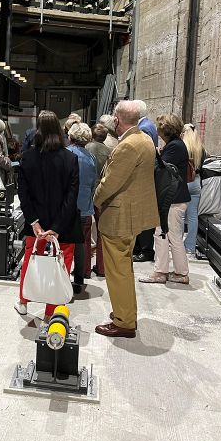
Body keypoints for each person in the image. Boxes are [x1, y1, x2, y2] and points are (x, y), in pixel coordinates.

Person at [94, 101, 159, 338]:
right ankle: (125, 312)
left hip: (120, 215)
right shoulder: (145, 140)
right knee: (124, 267)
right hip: (133, 213)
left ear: (118, 120)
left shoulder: (128, 146)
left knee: (118, 270)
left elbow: (110, 182)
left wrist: (96, 199)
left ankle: (124, 322)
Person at [15, 110, 81, 320]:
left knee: (30, 258)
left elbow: (23, 194)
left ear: (38, 131)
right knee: (61, 263)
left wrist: (34, 221)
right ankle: (50, 313)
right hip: (64, 224)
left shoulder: (27, 158)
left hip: (37, 222)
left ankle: (23, 302)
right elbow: (72, 196)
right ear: (60, 131)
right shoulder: (70, 158)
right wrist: (58, 227)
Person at [139, 113, 191, 285]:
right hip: (174, 199)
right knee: (167, 235)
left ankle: (167, 272)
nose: (157, 132)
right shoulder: (175, 145)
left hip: (172, 199)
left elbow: (163, 170)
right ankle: (173, 272)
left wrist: (155, 155)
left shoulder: (175, 146)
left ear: (166, 130)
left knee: (166, 235)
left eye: (159, 128)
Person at [67, 122, 96, 292]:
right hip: (85, 206)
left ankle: (62, 279)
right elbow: (93, 183)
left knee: (64, 245)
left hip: (68, 207)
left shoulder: (67, 154)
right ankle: (79, 280)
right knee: (81, 244)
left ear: (71, 136)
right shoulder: (91, 157)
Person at [133, 99, 158, 263]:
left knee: (142, 217)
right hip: (147, 176)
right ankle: (143, 248)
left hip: (143, 178)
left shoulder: (143, 129)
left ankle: (146, 250)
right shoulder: (149, 125)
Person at [86, 123, 111, 277]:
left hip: (88, 192)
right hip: (102, 195)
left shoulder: (87, 148)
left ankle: (85, 268)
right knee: (102, 232)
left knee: (86, 231)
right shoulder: (110, 152)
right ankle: (101, 267)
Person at [182, 123, 206, 258]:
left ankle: (177, 245)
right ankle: (190, 247)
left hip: (184, 182)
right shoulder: (200, 148)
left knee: (179, 215)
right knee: (192, 216)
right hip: (196, 182)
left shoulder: (182, 146)